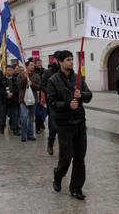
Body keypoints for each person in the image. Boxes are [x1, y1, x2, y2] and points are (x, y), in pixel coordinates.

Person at [47, 50, 92, 200]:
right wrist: (67, 105)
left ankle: (76, 188)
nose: (71, 62)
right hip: (64, 124)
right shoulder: (53, 80)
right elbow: (52, 103)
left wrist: (82, 95)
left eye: (72, 59)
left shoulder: (78, 78)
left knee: (80, 157)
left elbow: (89, 95)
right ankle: (58, 175)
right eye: (67, 59)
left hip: (79, 122)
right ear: (59, 62)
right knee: (66, 157)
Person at [17, 60, 41, 142]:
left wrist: (32, 84)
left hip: (33, 100)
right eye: (31, 65)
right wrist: (25, 78)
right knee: (24, 117)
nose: (33, 66)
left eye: (33, 65)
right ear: (26, 66)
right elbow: (19, 86)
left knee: (31, 118)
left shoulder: (36, 76)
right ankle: (23, 135)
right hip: (23, 100)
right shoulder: (21, 75)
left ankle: (30, 135)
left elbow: (39, 87)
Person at [42, 51, 61, 155]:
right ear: (55, 60)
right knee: (54, 125)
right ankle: (50, 143)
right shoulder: (48, 72)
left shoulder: (67, 71)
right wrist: (50, 93)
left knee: (64, 125)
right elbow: (43, 85)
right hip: (53, 102)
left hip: (65, 102)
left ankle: (64, 147)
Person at [0, 65, 20, 135]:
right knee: (3, 114)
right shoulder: (2, 79)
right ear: (5, 71)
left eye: (11, 70)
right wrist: (6, 94)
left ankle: (15, 129)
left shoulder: (15, 79)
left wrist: (13, 94)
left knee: (14, 115)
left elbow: (17, 89)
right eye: (8, 70)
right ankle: (2, 127)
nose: (9, 71)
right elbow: (0, 89)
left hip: (13, 100)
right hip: (4, 100)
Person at [34, 59, 46, 134]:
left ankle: (41, 122)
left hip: (44, 93)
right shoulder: (33, 72)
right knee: (37, 112)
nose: (39, 64)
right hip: (36, 93)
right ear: (35, 64)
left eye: (40, 62)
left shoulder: (44, 71)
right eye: (38, 63)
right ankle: (38, 126)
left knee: (44, 111)